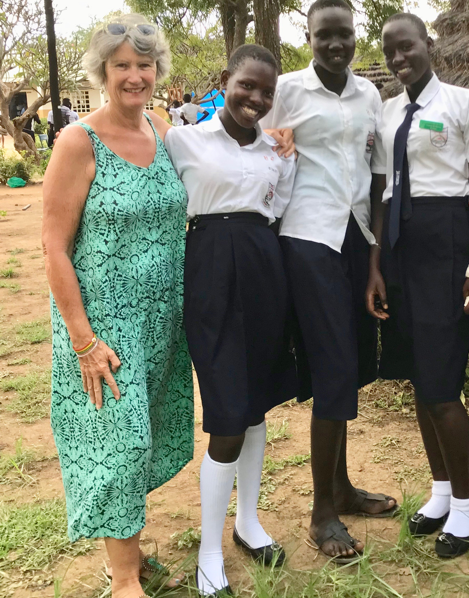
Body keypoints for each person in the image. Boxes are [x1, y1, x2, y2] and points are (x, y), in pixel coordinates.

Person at [42, 14, 193, 598]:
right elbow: (54, 246)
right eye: (122, 65)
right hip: (102, 322)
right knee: (119, 443)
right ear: (102, 71)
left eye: (144, 64)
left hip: (160, 318)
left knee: (144, 437)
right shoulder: (79, 140)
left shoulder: (159, 127)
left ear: (159, 71)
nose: (135, 76)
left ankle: (124, 553)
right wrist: (82, 339)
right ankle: (125, 578)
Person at [260, 0, 397, 564]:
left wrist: (374, 259)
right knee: (333, 365)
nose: (336, 44)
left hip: (355, 236)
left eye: (345, 34)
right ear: (308, 36)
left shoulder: (370, 94)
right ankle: (322, 512)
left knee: (352, 366)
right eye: (325, 35)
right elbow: (262, 153)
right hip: (307, 238)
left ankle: (340, 487)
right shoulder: (287, 91)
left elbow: (376, 171)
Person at [165, 43, 297, 596]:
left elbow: (282, 209)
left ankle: (248, 524)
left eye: (267, 92)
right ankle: (209, 548)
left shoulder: (278, 150)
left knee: (256, 404)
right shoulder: (182, 140)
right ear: (227, 80)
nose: (256, 98)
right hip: (211, 271)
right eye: (247, 85)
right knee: (226, 414)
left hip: (265, 271)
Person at [367, 13, 469, 558]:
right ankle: (441, 492)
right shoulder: (388, 110)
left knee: (442, 385)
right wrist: (375, 264)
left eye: (408, 48)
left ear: (429, 44)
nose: (400, 60)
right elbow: (380, 191)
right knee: (421, 382)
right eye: (390, 52)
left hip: (446, 242)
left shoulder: (468, 104)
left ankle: (467, 507)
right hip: (399, 247)